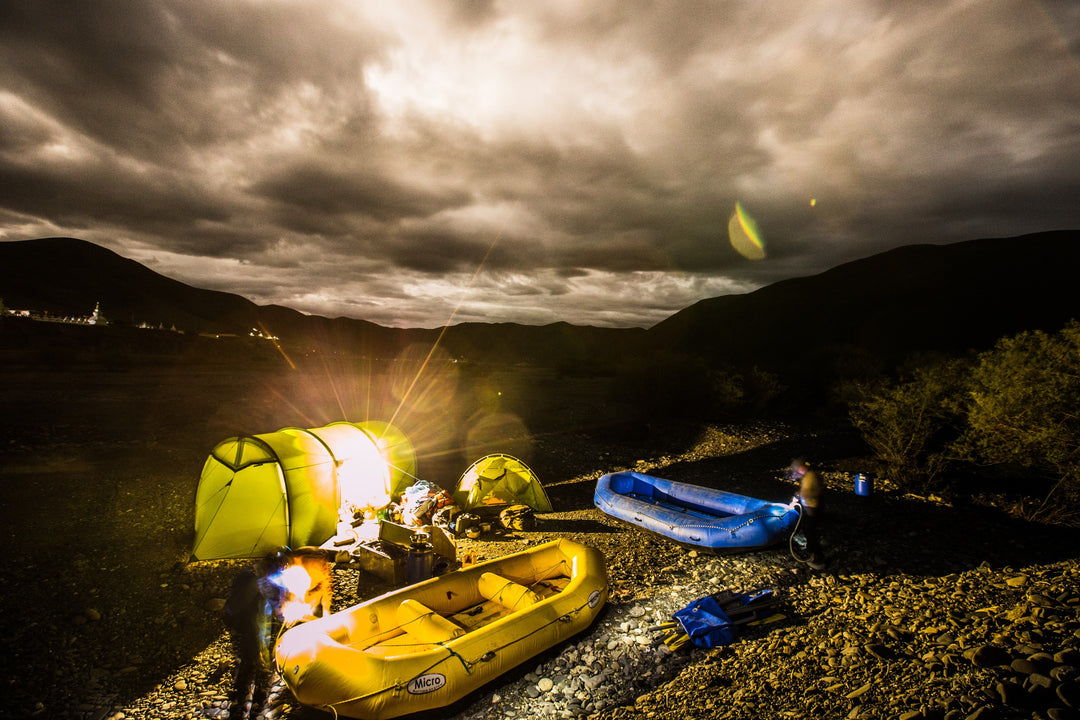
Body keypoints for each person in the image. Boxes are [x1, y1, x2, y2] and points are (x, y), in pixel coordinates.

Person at [790, 458, 827, 570]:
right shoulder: (809, 475)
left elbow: (808, 492)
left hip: (811, 507)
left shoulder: (810, 477)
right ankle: (814, 550)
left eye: (798, 469)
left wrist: (798, 495)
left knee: (810, 532)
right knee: (810, 529)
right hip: (812, 507)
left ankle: (817, 560)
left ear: (802, 467)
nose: (797, 471)